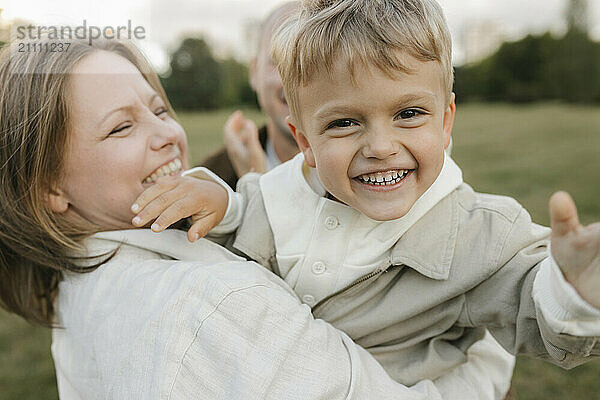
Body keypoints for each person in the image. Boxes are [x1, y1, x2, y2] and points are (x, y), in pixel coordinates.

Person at [130, 0, 600, 399]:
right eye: (344, 123)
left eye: (409, 114)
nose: (379, 146)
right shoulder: (279, 195)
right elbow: (245, 211)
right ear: (306, 142)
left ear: (446, 120)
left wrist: (572, 293)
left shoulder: (481, 234)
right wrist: (217, 197)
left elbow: (535, 312)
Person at [0, 37, 453, 399]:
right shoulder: (216, 301)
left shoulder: (73, 291)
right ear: (47, 187)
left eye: (158, 109)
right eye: (121, 127)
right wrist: (487, 353)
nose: (167, 135)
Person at [199, 2, 300, 189]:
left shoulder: (367, 175)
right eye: (280, 59)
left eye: (315, 60)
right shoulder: (207, 183)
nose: (297, 78)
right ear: (254, 72)